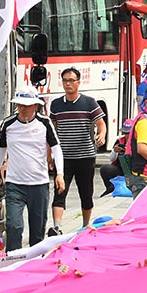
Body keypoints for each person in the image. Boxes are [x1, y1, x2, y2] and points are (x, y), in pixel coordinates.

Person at [0, 87, 64, 252]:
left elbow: (56, 147)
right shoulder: (8, 124)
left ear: (35, 106)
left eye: (26, 105)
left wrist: (60, 174)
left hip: (39, 184)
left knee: (37, 233)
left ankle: (35, 264)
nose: (22, 108)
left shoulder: (44, 123)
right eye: (19, 105)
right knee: (14, 227)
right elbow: (1, 149)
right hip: (15, 184)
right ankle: (12, 263)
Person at [47, 68, 106, 235]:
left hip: (85, 156)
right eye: (65, 80)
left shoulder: (89, 102)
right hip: (63, 157)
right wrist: (49, 154)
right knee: (59, 191)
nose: (68, 84)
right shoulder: (56, 104)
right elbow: (52, 131)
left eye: (71, 80)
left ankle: (86, 225)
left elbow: (101, 124)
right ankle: (57, 227)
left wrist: (101, 135)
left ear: (78, 82)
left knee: (86, 193)